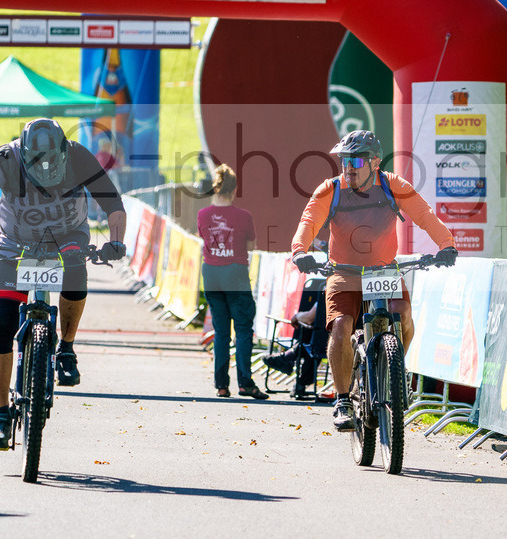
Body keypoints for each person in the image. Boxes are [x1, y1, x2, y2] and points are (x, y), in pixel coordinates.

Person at [0, 118, 127, 450]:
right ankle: (1, 414)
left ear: (64, 152)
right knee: (2, 325)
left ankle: (66, 347)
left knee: (77, 268)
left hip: (68, 237)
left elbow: (113, 205)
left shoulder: (79, 156)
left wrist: (115, 241)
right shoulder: (6, 158)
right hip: (15, 242)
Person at [290, 130, 458, 431]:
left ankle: (393, 372)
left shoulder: (394, 186)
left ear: (375, 163)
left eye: (356, 160)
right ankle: (342, 400)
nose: (348, 167)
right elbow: (309, 221)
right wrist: (299, 251)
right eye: (344, 160)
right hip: (344, 271)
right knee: (340, 326)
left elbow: (424, 215)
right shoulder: (332, 189)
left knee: (403, 314)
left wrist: (447, 245)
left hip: (383, 271)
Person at [196, 163, 267, 400]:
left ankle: (221, 385)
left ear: (214, 188)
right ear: (234, 189)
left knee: (221, 330)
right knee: (244, 328)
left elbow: (204, 239)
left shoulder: (202, 215)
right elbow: (250, 246)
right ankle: (245, 382)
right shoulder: (244, 216)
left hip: (212, 273)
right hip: (235, 273)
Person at [262, 277, 328, 399]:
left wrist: (297, 316)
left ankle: (289, 357)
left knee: (313, 331)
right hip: (331, 337)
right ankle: (296, 374)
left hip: (329, 340)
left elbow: (309, 317)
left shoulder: (329, 288)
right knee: (313, 333)